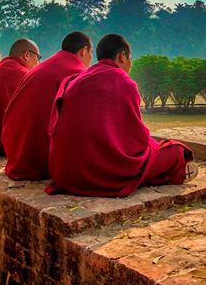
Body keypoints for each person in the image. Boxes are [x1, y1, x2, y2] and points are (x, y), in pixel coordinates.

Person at [46, 34, 196, 197]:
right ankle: (176, 168)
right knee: (176, 151)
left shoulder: (76, 79)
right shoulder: (124, 82)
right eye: (130, 58)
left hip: (66, 173)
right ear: (122, 56)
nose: (130, 63)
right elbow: (136, 139)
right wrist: (154, 147)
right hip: (99, 173)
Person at [1, 32, 92, 180]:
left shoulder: (41, 67)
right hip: (38, 157)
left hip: (15, 150)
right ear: (83, 51)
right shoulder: (77, 73)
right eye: (91, 53)